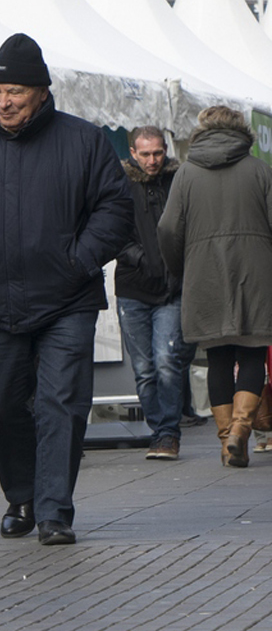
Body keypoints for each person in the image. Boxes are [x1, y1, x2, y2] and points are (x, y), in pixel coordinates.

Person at [0, 34, 133, 547]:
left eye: (14, 91)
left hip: (67, 301)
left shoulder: (84, 141)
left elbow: (115, 212)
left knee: (61, 404)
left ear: (41, 92)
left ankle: (53, 511)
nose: (3, 101)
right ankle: (19, 495)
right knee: (0, 405)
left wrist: (78, 261)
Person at [158, 105, 272, 468]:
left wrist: (182, 268)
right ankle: (241, 429)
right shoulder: (260, 170)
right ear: (241, 131)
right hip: (256, 273)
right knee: (253, 353)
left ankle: (227, 442)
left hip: (204, 274)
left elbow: (167, 229)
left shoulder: (187, 173)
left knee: (219, 358)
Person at [113, 126, 192, 461]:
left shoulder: (178, 181)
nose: (152, 160)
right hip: (133, 287)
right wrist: (140, 258)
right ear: (133, 152)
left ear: (165, 150)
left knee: (166, 361)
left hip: (172, 288)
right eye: (145, 154)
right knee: (145, 368)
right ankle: (160, 429)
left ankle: (167, 434)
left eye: (157, 152)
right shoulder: (119, 185)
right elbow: (110, 229)